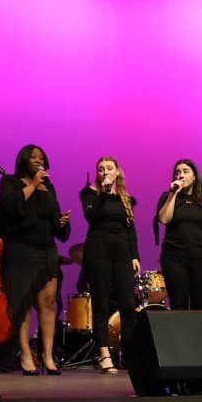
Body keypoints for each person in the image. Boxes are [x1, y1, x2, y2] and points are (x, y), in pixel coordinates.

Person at [0, 145, 70, 376]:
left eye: (41, 158)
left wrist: (62, 222)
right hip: (21, 250)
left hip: (47, 249)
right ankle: (26, 354)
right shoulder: (10, 182)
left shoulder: (48, 187)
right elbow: (12, 208)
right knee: (23, 303)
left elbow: (53, 218)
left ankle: (47, 356)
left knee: (48, 303)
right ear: (23, 161)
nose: (38, 161)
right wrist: (33, 185)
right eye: (33, 158)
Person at [80, 156, 140, 374]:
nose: (105, 172)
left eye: (109, 168)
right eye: (101, 169)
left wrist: (135, 256)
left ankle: (132, 353)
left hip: (122, 252)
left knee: (127, 303)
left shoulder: (126, 198)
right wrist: (104, 193)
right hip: (99, 250)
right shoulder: (90, 194)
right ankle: (104, 354)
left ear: (117, 172)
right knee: (102, 302)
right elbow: (91, 218)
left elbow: (131, 229)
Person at [156, 159, 202, 310]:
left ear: (194, 177)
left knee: (200, 306)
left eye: (185, 171)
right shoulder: (166, 197)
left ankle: (198, 334)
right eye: (177, 172)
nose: (181, 175)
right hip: (174, 259)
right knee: (178, 306)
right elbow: (164, 219)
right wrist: (173, 193)